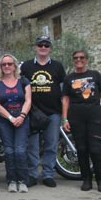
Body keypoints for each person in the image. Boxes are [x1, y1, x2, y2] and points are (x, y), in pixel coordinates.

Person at [62, 50, 101, 192]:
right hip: (76, 116)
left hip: (94, 115)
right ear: (73, 60)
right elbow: (65, 99)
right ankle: (86, 180)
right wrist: (64, 118)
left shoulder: (95, 75)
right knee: (81, 149)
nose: (79, 60)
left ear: (86, 60)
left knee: (95, 149)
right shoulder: (69, 78)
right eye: (76, 58)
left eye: (81, 57)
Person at [20, 35, 66, 188]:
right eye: (40, 44)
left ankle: (48, 174)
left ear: (50, 48)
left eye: (46, 45)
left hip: (53, 111)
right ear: (35, 47)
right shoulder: (26, 66)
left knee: (51, 144)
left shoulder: (58, 66)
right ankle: (32, 174)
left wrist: (65, 112)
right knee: (32, 146)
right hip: (33, 112)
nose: (43, 47)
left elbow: (63, 89)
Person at [0, 54, 32, 193]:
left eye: (10, 64)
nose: (7, 66)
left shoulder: (23, 81)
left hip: (22, 119)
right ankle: (11, 180)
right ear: (1, 67)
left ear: (15, 65)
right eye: (4, 64)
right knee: (9, 151)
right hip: (4, 120)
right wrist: (10, 118)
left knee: (20, 150)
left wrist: (21, 116)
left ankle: (22, 180)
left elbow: (28, 101)